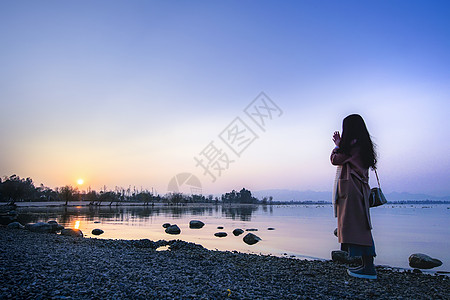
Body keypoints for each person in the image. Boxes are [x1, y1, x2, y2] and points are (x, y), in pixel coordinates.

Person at [331, 114, 378, 280]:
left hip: (352, 190)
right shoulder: (363, 144)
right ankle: (366, 264)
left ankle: (369, 268)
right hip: (359, 189)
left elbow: (335, 159)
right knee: (362, 225)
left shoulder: (353, 145)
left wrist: (337, 145)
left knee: (359, 227)